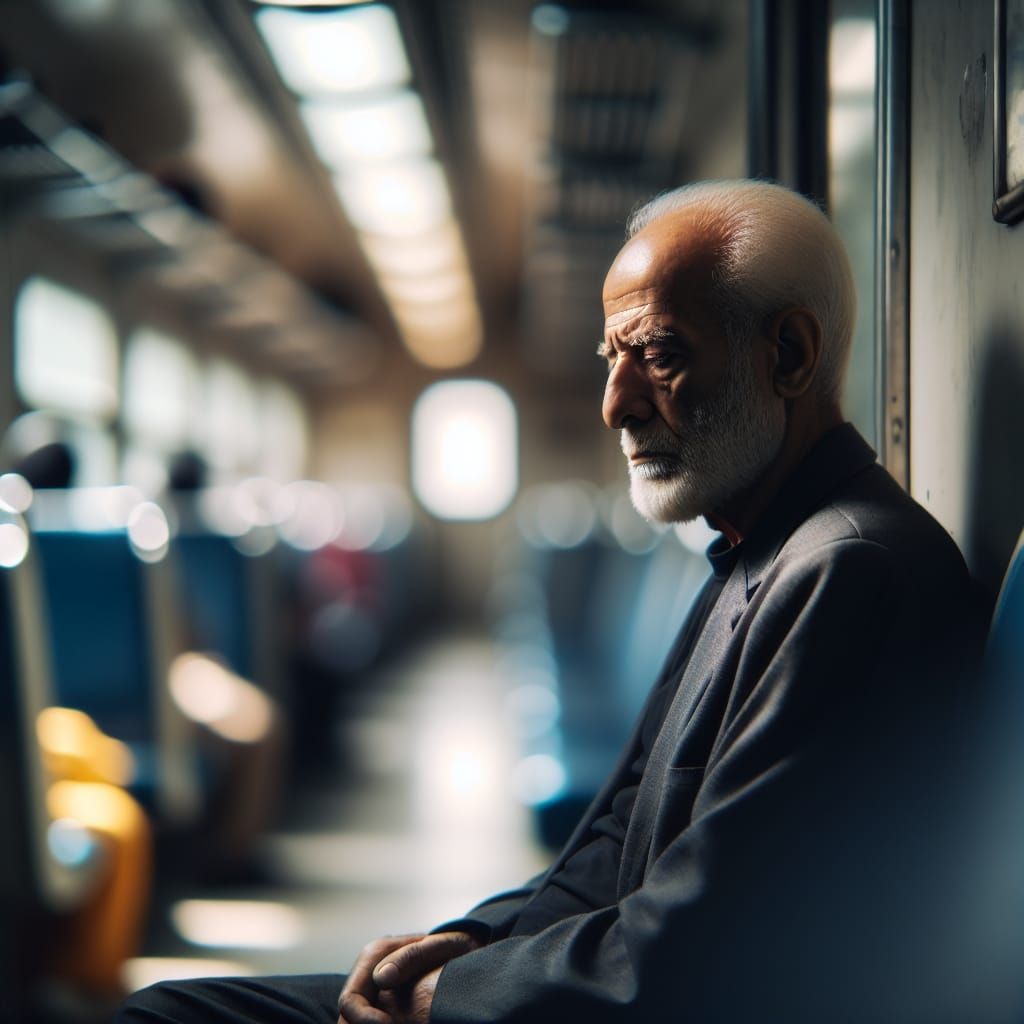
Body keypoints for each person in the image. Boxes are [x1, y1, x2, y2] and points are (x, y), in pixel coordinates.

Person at [117, 180, 982, 1023]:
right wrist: (459, 945)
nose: (615, 405)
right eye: (614, 360)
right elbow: (612, 845)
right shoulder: (760, 551)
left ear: (787, 355)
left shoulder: (852, 572)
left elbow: (708, 947)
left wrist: (444, 1001)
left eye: (661, 356)